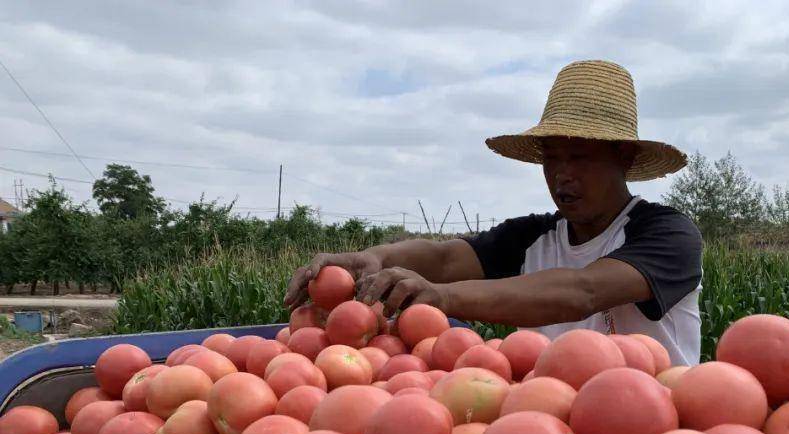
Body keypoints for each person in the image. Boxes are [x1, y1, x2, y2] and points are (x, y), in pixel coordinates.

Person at [285, 59, 704, 365]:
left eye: (580, 157)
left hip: (655, 426)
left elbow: (583, 291)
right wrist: (375, 258)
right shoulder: (532, 237)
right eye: (552, 159)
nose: (563, 175)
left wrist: (443, 296)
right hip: (545, 427)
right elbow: (447, 256)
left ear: (624, 159)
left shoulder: (666, 234)